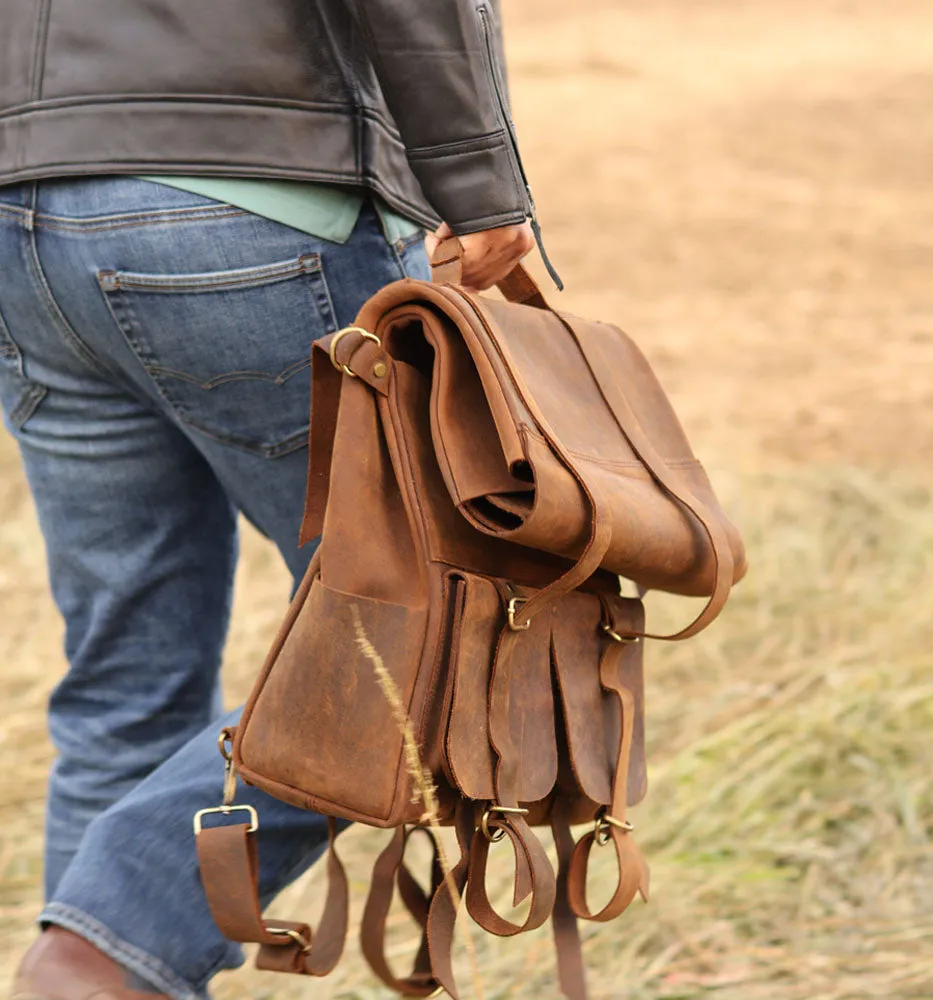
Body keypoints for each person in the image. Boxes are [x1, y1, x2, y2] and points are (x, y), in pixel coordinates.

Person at [0, 4, 552, 998]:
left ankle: (93, 966)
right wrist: (478, 185)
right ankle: (113, 940)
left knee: (127, 679)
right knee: (444, 637)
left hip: (22, 228)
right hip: (249, 201)